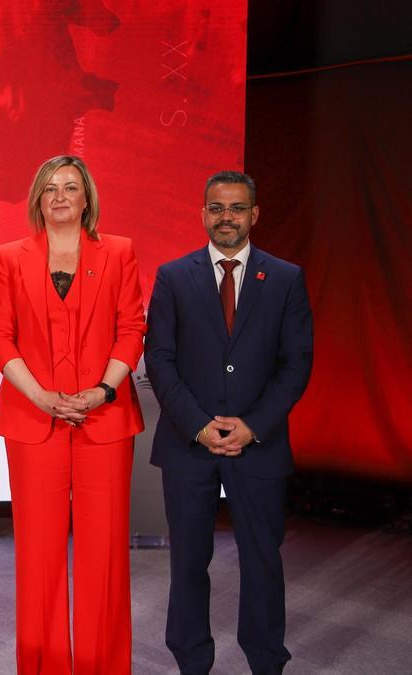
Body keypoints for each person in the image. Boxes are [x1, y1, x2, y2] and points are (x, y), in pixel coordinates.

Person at [145, 171, 313, 675]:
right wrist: (198, 424)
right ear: (202, 213)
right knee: (188, 563)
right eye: (216, 208)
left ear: (253, 215)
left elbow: (297, 363)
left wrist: (252, 425)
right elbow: (160, 359)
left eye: (236, 208)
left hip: (258, 444)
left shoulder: (286, 278)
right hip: (187, 444)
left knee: (262, 560)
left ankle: (266, 661)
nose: (226, 217)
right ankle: (192, 662)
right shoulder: (173, 276)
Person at [0, 155, 145, 674]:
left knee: (104, 558)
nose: (60, 196)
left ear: (86, 199)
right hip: (35, 421)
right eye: (50, 188)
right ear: (37, 199)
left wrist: (102, 391)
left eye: (70, 188)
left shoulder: (118, 252)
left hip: (105, 421)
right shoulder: (11, 256)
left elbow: (131, 330)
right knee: (39, 558)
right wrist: (41, 396)